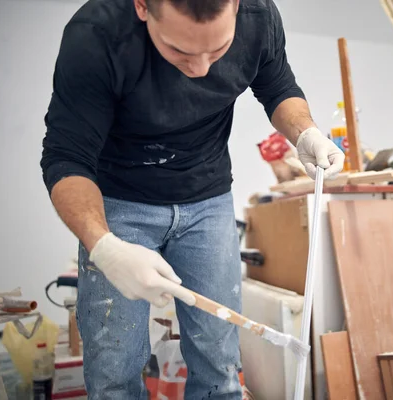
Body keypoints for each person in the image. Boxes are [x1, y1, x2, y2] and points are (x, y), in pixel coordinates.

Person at [40, 0, 344, 398]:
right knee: (113, 365)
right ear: (143, 7)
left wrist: (305, 133)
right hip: (117, 199)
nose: (201, 68)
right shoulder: (97, 35)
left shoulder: (258, 16)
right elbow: (66, 157)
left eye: (217, 51)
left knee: (219, 359)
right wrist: (106, 247)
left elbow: (278, 85)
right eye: (180, 51)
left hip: (208, 196)